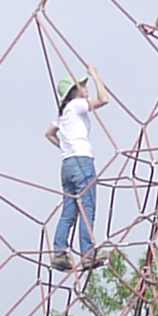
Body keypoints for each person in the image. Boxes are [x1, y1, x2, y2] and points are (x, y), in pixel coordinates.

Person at [45, 63, 109, 270]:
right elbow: (104, 99)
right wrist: (96, 75)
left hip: (67, 163)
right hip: (82, 160)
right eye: (82, 86)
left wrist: (65, 147)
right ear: (74, 91)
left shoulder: (63, 112)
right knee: (87, 208)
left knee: (69, 211)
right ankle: (88, 254)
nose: (86, 88)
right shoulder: (76, 105)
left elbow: (49, 133)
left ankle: (59, 252)